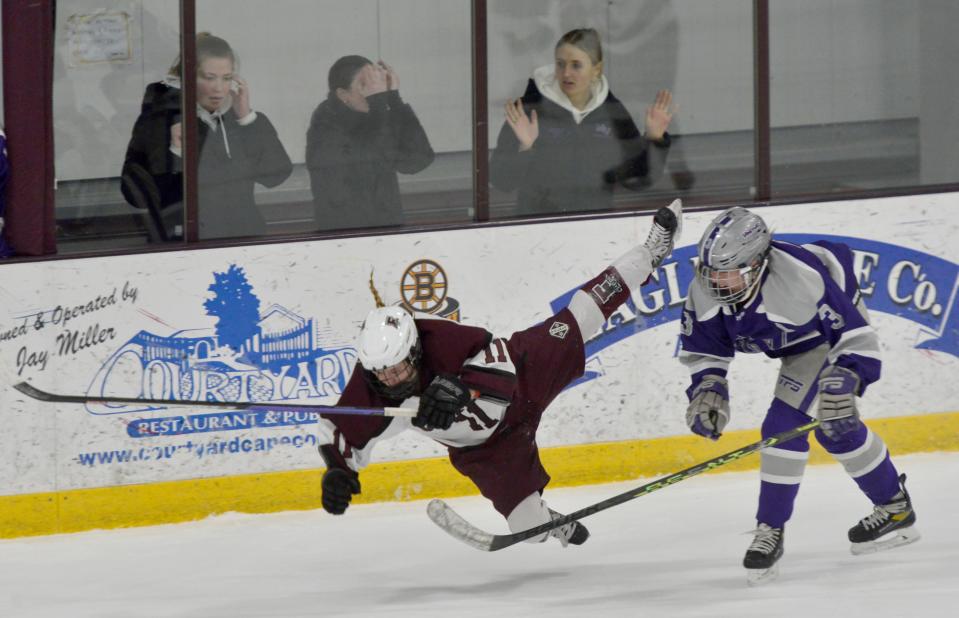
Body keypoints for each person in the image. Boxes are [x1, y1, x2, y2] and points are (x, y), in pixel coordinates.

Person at [317, 198, 683, 546]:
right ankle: (553, 524)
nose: (391, 379)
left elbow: (499, 366)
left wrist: (461, 391)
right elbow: (339, 428)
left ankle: (650, 253)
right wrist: (337, 470)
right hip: (490, 451)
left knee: (583, 312)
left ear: (414, 348)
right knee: (529, 530)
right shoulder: (374, 381)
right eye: (383, 373)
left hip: (524, 376)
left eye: (397, 368)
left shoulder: (439, 339)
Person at [678, 207, 920, 585]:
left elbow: (856, 337)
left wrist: (848, 374)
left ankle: (769, 529)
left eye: (728, 272)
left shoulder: (801, 279)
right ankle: (895, 507)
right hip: (792, 342)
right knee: (832, 430)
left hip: (825, 337)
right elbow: (706, 349)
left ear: (757, 262)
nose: (716, 282)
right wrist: (709, 386)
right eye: (711, 271)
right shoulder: (705, 288)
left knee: (783, 425)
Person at [120, 33, 293, 240]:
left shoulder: (238, 120)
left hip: (244, 242)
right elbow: (135, 195)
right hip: (186, 246)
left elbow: (277, 175)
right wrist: (175, 155)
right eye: (209, 78)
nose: (219, 88)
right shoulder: (162, 120)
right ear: (187, 78)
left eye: (227, 78)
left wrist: (247, 119)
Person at [489, 28, 674, 216]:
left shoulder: (612, 111)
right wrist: (525, 147)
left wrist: (654, 139)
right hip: (538, 229)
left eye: (576, 65)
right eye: (560, 64)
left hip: (594, 228)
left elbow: (636, 180)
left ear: (596, 69)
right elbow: (501, 181)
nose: (566, 73)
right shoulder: (529, 109)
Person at [306, 56, 434, 231]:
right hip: (345, 232)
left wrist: (394, 99)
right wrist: (379, 104)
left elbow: (418, 160)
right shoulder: (325, 123)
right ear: (343, 95)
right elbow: (372, 157)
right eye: (364, 85)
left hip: (387, 224)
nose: (373, 91)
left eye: (375, 83)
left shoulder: (375, 113)